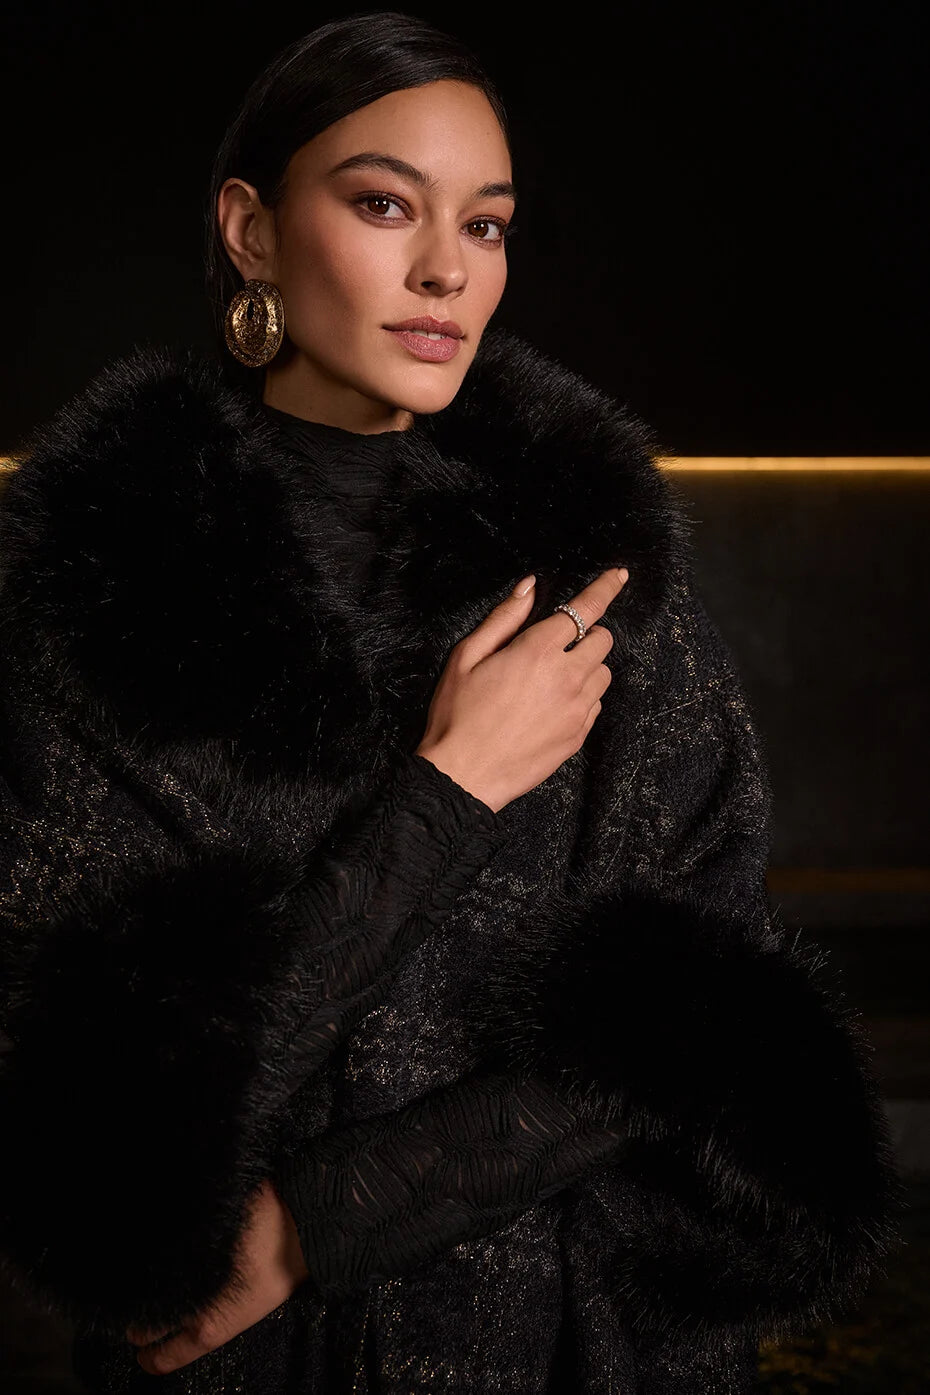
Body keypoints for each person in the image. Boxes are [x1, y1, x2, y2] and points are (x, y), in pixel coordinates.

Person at [0, 12, 897, 1395]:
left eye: (485, 226)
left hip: (570, 1342)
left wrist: (320, 1221)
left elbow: (704, 1020)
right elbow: (111, 1142)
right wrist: (450, 791)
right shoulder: (93, 601)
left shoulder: (596, 570)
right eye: (383, 205)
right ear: (250, 230)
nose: (446, 270)